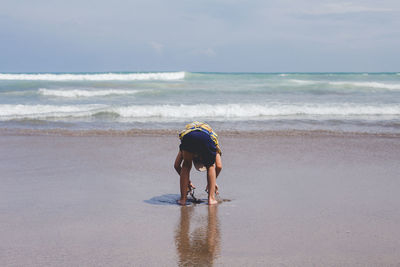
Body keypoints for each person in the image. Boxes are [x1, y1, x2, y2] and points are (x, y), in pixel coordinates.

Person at [174, 122, 222, 205]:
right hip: (206, 138)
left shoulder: (189, 134)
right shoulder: (213, 139)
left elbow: (176, 165)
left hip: (189, 137)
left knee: (186, 165)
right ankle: (211, 199)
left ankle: (183, 199)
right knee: (210, 166)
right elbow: (219, 166)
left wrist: (187, 182)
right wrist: (212, 183)